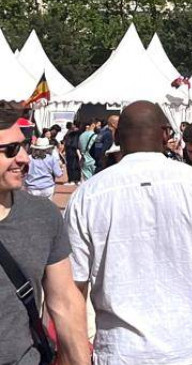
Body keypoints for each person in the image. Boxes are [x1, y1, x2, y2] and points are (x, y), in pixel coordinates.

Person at [65, 101, 192, 365]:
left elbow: (73, 287)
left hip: (123, 352)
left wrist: (75, 354)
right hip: (190, 348)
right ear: (166, 134)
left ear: (117, 137)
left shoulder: (87, 196)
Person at [0, 117, 91, 365]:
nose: (24, 158)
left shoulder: (42, 215)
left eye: (24, 147)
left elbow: (65, 302)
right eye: (11, 150)